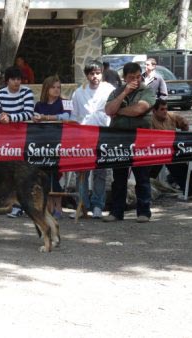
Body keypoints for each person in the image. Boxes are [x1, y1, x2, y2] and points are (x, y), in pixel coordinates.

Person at [103, 62, 157, 223]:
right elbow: (108, 110)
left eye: (138, 76)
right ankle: (117, 212)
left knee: (142, 177)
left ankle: (144, 212)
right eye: (131, 77)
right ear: (124, 78)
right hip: (119, 140)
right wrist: (124, 93)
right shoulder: (116, 92)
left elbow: (139, 109)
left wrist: (118, 111)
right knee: (119, 178)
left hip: (141, 139)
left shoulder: (147, 91)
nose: (135, 80)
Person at [0, 66, 35, 218]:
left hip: (22, 137)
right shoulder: (1, 93)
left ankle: (23, 204)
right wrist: (0, 118)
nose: (17, 82)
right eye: (14, 79)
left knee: (22, 172)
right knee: (7, 172)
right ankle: (9, 203)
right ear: (7, 80)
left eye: (19, 79)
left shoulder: (26, 92)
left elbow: (28, 113)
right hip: (6, 140)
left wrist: (10, 118)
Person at [70, 60, 116, 219]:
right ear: (87, 75)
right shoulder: (78, 92)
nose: (94, 76)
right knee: (81, 172)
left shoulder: (110, 90)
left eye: (97, 73)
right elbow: (75, 116)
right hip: (83, 136)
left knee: (100, 171)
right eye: (91, 73)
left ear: (102, 73)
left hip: (103, 134)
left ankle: (98, 204)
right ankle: (82, 205)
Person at [32, 75, 71, 219]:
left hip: (59, 142)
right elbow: (35, 118)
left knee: (56, 175)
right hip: (42, 143)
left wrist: (46, 118)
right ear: (46, 88)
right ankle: (48, 207)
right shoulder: (39, 105)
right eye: (53, 87)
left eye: (58, 87)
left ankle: (59, 207)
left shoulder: (66, 102)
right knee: (44, 175)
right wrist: (38, 118)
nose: (56, 90)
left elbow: (67, 118)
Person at [149, 99, 192, 197]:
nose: (165, 111)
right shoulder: (149, 120)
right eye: (162, 109)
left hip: (171, 151)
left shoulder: (171, 116)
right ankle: (145, 191)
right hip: (154, 152)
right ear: (154, 111)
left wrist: (183, 132)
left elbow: (184, 124)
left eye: (166, 109)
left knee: (181, 164)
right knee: (149, 169)